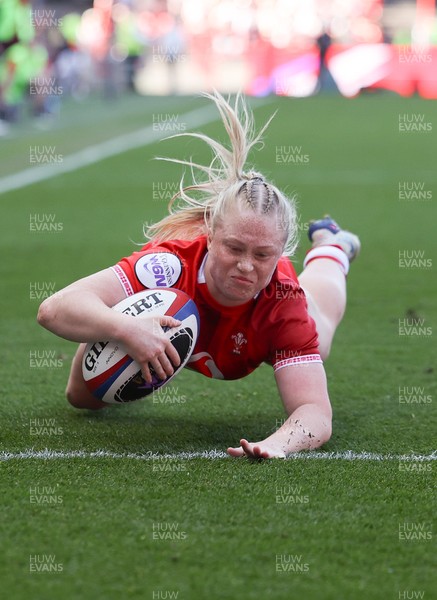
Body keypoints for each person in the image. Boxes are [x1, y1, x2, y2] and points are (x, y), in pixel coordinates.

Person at [37, 92, 360, 459]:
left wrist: (276, 444)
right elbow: (54, 309)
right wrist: (125, 328)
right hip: (149, 323)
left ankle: (332, 246)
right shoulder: (168, 268)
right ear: (210, 235)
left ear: (281, 252)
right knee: (82, 399)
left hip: (264, 328)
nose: (246, 266)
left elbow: (315, 413)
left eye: (262, 255)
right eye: (234, 248)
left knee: (322, 337)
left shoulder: (281, 301)